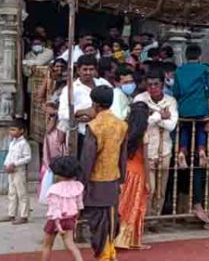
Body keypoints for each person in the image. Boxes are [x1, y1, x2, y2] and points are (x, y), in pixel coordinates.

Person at [80, 85, 128, 261]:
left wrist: (82, 183)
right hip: (113, 179)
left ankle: (102, 255)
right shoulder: (121, 125)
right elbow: (123, 156)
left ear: (95, 104)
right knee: (110, 219)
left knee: (97, 222)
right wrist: (122, 178)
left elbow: (87, 159)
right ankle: (110, 253)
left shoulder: (94, 126)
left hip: (95, 181)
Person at [172, 44, 209, 225]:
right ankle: (201, 150)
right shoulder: (205, 69)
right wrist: (203, 94)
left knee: (184, 129)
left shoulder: (180, 70)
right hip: (200, 106)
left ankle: (181, 151)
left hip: (184, 107)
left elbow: (176, 91)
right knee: (200, 128)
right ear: (199, 56)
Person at [134, 70, 178, 228]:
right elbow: (140, 122)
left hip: (164, 148)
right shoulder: (140, 99)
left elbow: (172, 125)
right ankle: (144, 218)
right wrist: (161, 115)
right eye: (150, 84)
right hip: (146, 150)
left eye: (156, 84)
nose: (153, 88)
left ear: (162, 84)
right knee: (149, 188)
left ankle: (154, 219)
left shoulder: (171, 100)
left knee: (161, 188)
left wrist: (153, 115)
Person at [58, 55, 112, 157]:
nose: (88, 72)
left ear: (95, 70)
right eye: (85, 69)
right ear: (78, 70)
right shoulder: (70, 89)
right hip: (82, 134)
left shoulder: (103, 84)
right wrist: (80, 113)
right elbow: (62, 113)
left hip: (105, 132)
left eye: (91, 69)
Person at [115, 102, 151, 250]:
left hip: (124, 171)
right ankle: (133, 240)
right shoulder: (143, 134)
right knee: (137, 206)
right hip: (138, 173)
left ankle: (117, 236)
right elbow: (146, 159)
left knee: (122, 205)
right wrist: (148, 181)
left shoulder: (124, 129)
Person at [40, 156, 85, 261]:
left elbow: (54, 209)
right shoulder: (78, 186)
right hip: (70, 218)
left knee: (47, 245)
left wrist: (57, 225)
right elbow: (79, 204)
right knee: (70, 245)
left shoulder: (54, 189)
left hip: (55, 220)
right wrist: (76, 219)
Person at [0, 118, 32, 225]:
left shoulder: (24, 143)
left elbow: (28, 158)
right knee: (12, 192)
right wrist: (6, 164)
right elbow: (9, 155)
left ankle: (24, 215)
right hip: (11, 170)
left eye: (14, 130)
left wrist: (15, 164)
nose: (11, 132)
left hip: (19, 170)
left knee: (22, 193)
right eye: (10, 130)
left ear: (21, 130)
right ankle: (11, 214)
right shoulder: (12, 143)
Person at [39, 102, 66, 205]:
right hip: (52, 143)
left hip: (56, 144)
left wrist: (54, 116)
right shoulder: (52, 118)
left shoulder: (57, 118)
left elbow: (50, 130)